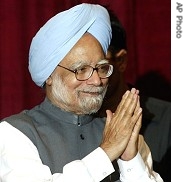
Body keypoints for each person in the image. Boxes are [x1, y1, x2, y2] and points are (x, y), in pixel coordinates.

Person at [0, 3, 163, 182]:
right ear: (50, 76)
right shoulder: (15, 133)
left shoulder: (120, 133)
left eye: (101, 68)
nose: (96, 80)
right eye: (81, 69)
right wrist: (106, 152)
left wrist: (130, 160)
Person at [97, 9, 171, 182]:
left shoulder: (172, 121)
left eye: (100, 66)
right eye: (80, 67)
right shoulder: (65, 123)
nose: (90, 79)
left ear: (121, 61)